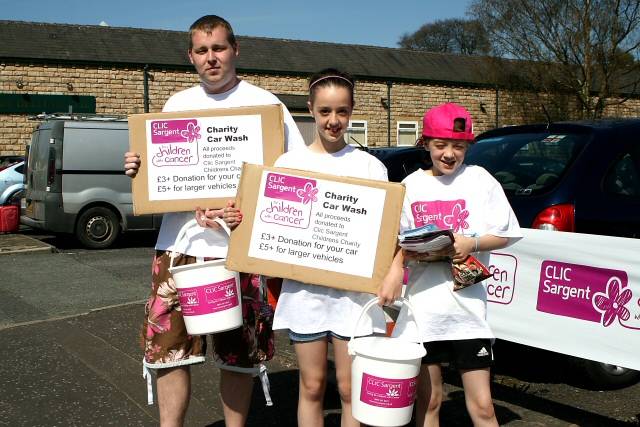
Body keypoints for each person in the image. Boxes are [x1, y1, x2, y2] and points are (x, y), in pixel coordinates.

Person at [124, 15, 306, 427]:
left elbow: (293, 175)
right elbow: (160, 178)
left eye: (219, 48)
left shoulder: (268, 107)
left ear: (235, 49)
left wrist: (246, 206)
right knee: (170, 351)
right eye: (202, 51)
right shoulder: (177, 104)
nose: (211, 58)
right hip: (179, 248)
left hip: (239, 252)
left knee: (239, 354)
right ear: (191, 56)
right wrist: (138, 167)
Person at [220, 68, 388, 426]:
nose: (333, 120)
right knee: (311, 385)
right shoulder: (289, 164)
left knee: (348, 387)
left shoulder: (372, 167)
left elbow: (385, 234)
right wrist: (240, 222)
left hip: (353, 298)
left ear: (352, 111)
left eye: (342, 111)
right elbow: (266, 223)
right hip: (306, 295)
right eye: (325, 111)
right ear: (311, 109)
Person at [378, 102, 522, 427]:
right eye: (441, 145)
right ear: (425, 143)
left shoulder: (481, 180)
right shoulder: (410, 186)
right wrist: (396, 268)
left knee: (483, 407)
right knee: (430, 402)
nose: (449, 154)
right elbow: (400, 243)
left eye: (458, 146)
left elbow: (505, 233)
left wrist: (472, 243)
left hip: (468, 314)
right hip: (423, 313)